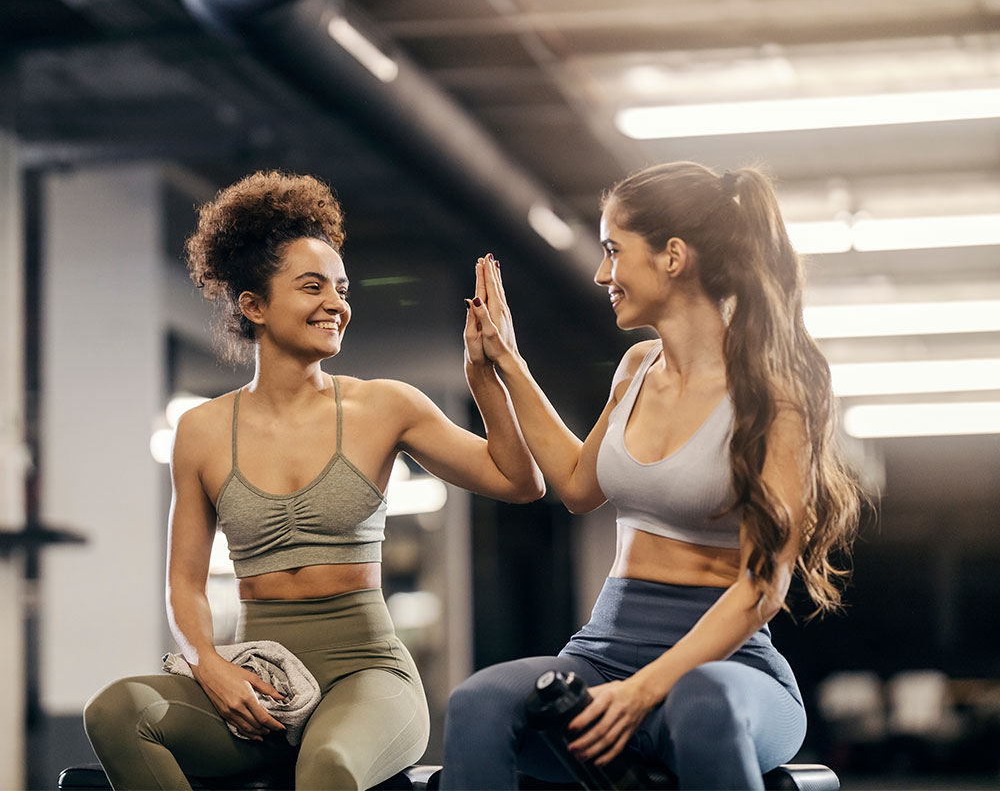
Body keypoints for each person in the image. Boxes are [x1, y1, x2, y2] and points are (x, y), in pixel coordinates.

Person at [83, 170, 544, 791]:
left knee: (326, 766)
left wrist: (487, 376)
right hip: (263, 683)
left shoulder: (384, 406)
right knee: (117, 711)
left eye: (342, 288)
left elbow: (519, 481)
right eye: (312, 287)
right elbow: (185, 583)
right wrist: (209, 664)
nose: (337, 304)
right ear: (253, 305)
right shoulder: (201, 430)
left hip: (368, 676)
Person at [443, 162, 861, 790]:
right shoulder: (637, 365)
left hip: (727, 666)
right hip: (603, 650)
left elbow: (761, 589)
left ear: (673, 257)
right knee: (478, 705)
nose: (600, 272)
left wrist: (643, 692)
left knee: (702, 705)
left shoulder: (776, 395)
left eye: (614, 250)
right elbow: (580, 488)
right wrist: (503, 363)